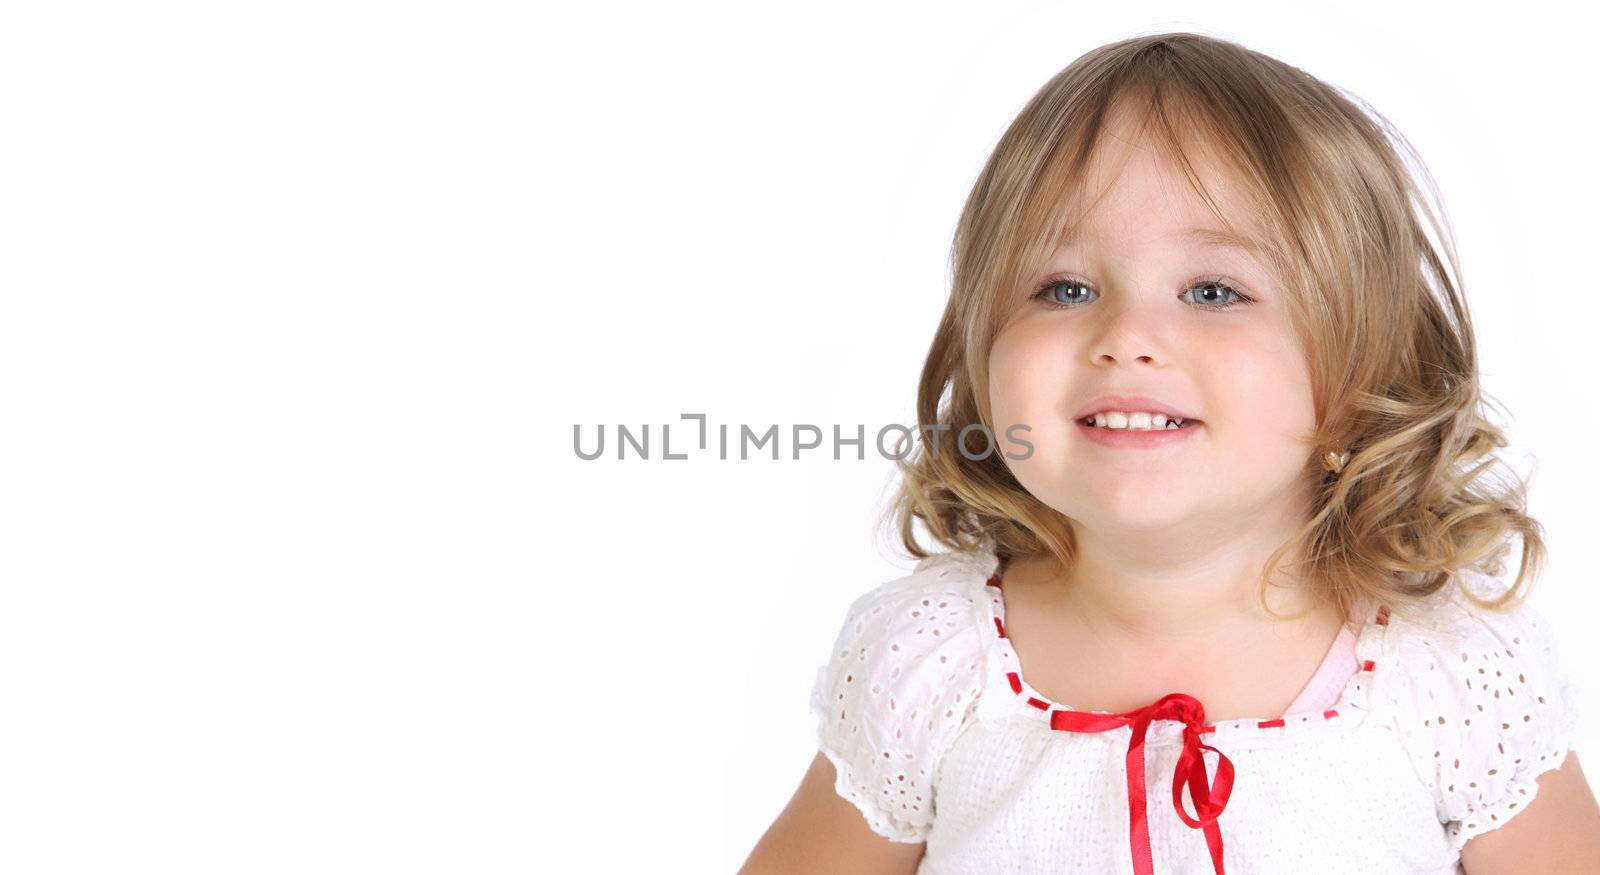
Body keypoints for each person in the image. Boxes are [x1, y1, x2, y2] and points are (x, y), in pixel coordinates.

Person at [740, 31, 1600, 875]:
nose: (1125, 337)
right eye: (1064, 288)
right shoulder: (932, 662)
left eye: (1215, 291)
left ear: (1357, 375)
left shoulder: (1447, 670)